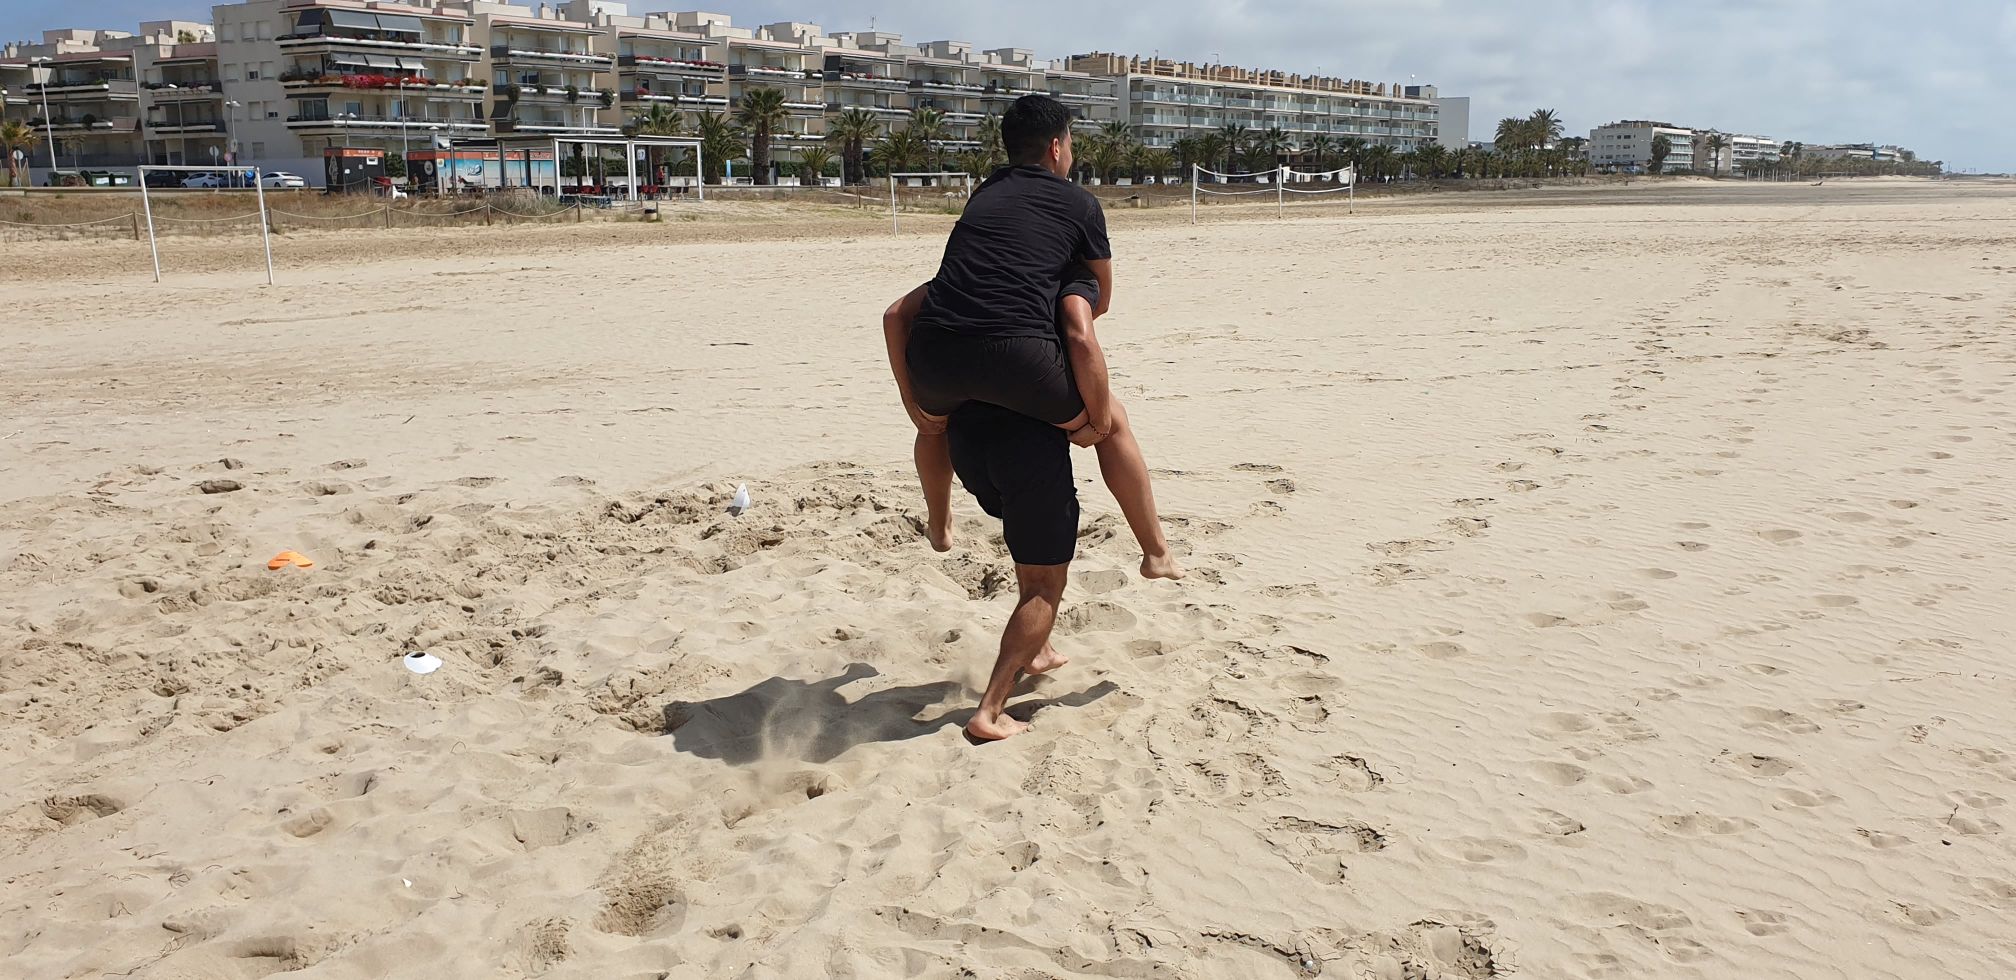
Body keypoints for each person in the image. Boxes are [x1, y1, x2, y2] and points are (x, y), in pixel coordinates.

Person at [880, 94, 1182, 582]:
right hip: (1018, 357)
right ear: (1057, 147)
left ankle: (940, 525)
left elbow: (896, 314)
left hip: (935, 354)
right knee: (1115, 424)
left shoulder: (985, 192)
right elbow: (1086, 323)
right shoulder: (1080, 204)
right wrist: (1097, 419)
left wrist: (911, 399)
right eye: (1071, 145)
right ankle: (1156, 553)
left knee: (932, 426)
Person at [943, 400, 1079, 740]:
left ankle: (1039, 649)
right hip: (1028, 447)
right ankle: (989, 712)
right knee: (1045, 585)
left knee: (1033, 561)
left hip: (967, 444)